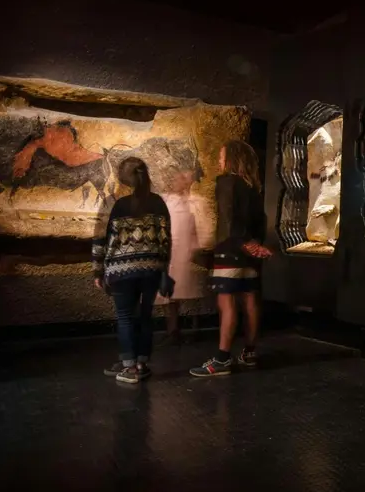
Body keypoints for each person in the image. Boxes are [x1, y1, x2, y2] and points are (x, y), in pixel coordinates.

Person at [190, 140, 271, 377]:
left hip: (230, 250)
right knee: (250, 300)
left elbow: (229, 218)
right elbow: (261, 222)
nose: (219, 160)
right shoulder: (253, 187)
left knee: (227, 303)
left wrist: (242, 242)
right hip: (250, 253)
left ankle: (222, 359)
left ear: (232, 159)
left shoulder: (226, 182)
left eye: (222, 156)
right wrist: (254, 245)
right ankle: (249, 352)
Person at [93, 157, 172, 384]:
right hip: (151, 269)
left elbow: (100, 238)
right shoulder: (158, 203)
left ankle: (129, 366)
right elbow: (166, 240)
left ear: (121, 178)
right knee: (145, 316)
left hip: (121, 270)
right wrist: (163, 268)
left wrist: (98, 271)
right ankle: (141, 364)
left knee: (125, 317)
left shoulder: (114, 203)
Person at [157, 165, 209, 341]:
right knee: (168, 294)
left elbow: (198, 228)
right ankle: (172, 330)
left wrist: (196, 248)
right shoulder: (164, 201)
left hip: (186, 254)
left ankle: (185, 327)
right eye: (178, 178)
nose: (183, 181)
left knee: (182, 292)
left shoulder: (195, 201)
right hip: (169, 253)